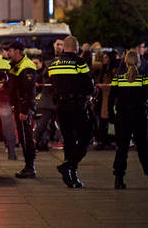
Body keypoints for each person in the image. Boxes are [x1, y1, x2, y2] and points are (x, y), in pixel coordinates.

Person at [107, 50, 148, 189]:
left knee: (122, 148)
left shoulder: (118, 78)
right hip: (139, 117)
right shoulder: (144, 78)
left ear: (125, 62)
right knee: (143, 148)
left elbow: (111, 98)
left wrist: (111, 115)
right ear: (139, 62)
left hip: (122, 117)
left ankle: (118, 179)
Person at [48, 36, 94, 188]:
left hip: (61, 107)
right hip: (77, 106)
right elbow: (89, 87)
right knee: (86, 137)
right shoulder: (80, 63)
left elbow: (51, 83)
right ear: (76, 48)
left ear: (64, 47)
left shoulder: (53, 64)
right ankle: (69, 166)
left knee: (68, 140)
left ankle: (71, 177)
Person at [7, 41, 37, 178]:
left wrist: (24, 111)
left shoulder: (27, 67)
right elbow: (15, 85)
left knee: (26, 138)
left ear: (17, 51)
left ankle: (30, 167)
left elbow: (29, 92)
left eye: (10, 50)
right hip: (19, 106)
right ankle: (28, 166)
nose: (8, 53)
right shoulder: (16, 65)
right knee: (23, 137)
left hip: (24, 108)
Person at [93, 51, 118, 150]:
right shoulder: (103, 69)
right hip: (102, 97)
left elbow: (114, 84)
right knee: (102, 120)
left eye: (106, 57)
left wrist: (103, 86)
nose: (104, 59)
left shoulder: (114, 70)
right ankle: (103, 140)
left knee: (109, 120)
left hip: (110, 98)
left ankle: (110, 140)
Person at [34, 55, 58, 151]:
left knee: (43, 123)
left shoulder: (46, 70)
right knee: (44, 123)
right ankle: (38, 142)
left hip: (46, 101)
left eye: (36, 63)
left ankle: (37, 141)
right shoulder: (50, 71)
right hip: (50, 101)